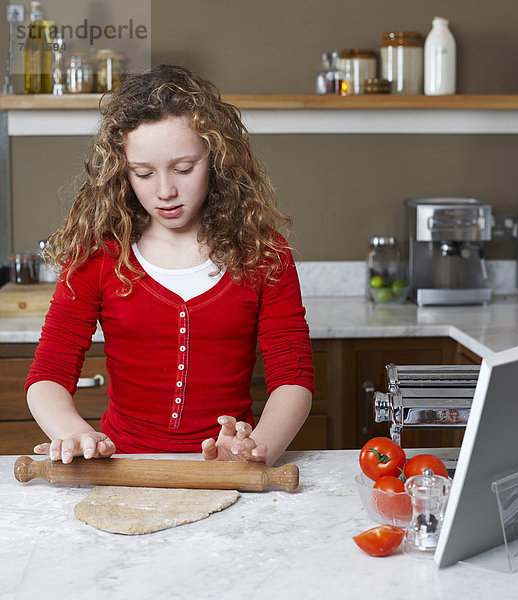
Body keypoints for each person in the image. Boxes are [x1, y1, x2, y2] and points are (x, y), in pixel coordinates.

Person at [25, 63, 314, 467]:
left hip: (227, 468)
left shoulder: (263, 253)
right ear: (121, 172)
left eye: (183, 168)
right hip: (123, 468)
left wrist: (255, 450)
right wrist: (73, 433)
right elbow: (49, 373)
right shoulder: (98, 255)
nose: (165, 191)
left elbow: (293, 377)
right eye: (143, 173)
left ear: (216, 159)